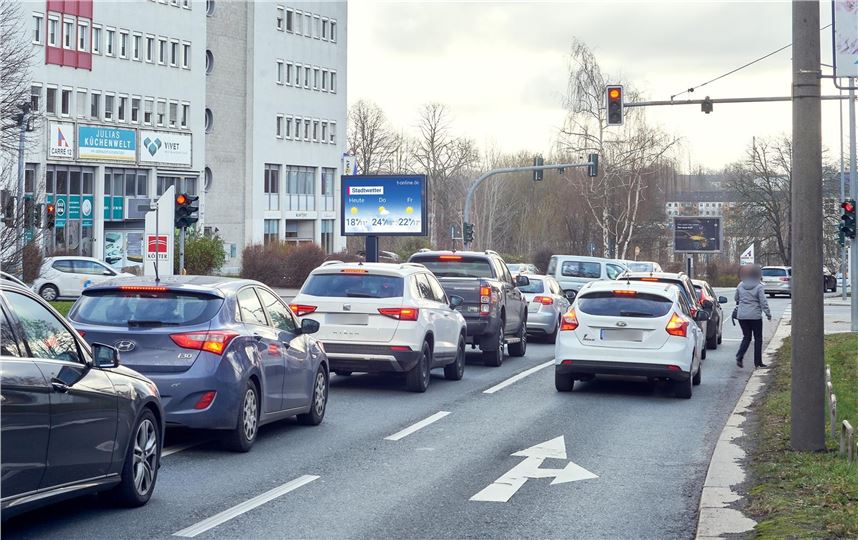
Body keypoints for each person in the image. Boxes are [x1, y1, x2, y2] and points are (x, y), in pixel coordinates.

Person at [734, 265, 772, 368]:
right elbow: (763, 302)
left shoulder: (740, 285)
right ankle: (758, 362)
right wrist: (768, 314)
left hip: (742, 316)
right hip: (755, 316)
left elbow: (736, 298)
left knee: (746, 337)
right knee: (758, 338)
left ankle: (739, 356)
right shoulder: (759, 287)